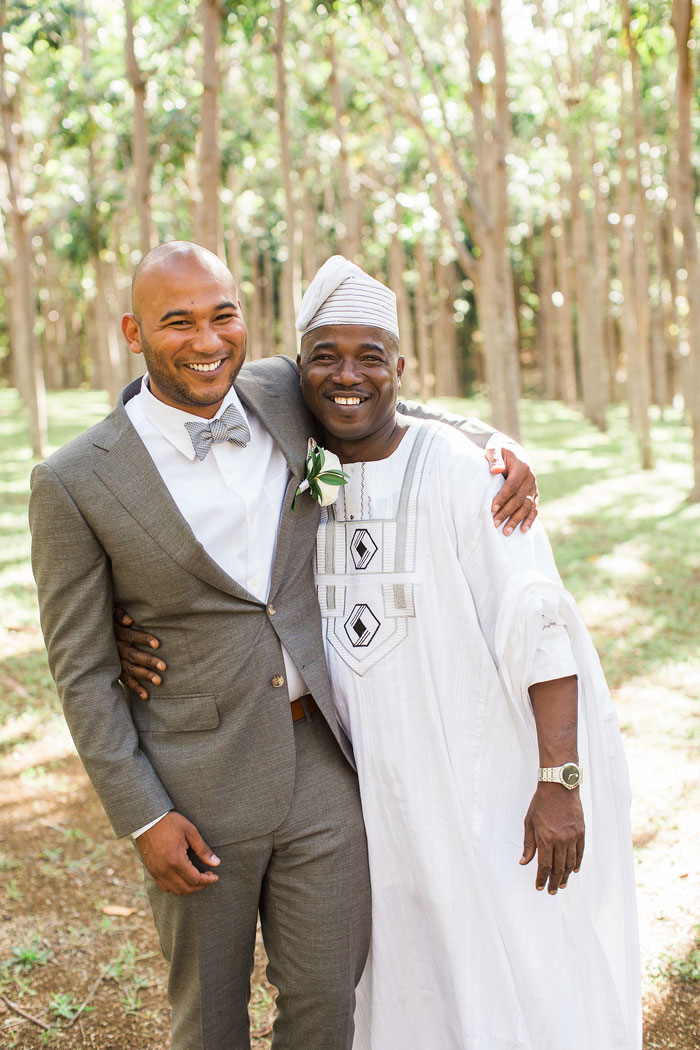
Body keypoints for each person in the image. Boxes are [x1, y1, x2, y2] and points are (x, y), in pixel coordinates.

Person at [122, 256, 641, 1050]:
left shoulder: (469, 477)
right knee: (395, 967)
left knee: (503, 949)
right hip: (361, 791)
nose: (347, 375)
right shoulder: (294, 469)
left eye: (372, 356)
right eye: (324, 356)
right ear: (297, 373)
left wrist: (559, 780)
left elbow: (540, 623)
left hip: (481, 780)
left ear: (402, 366)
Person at [29, 241, 537, 1050]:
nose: (207, 340)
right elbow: (82, 672)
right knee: (209, 1018)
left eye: (222, 314)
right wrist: (143, 816)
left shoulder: (276, 391)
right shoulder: (76, 480)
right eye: (178, 322)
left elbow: (387, 403)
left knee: (328, 1001)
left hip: (324, 768)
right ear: (133, 333)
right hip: (194, 789)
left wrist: (499, 447)